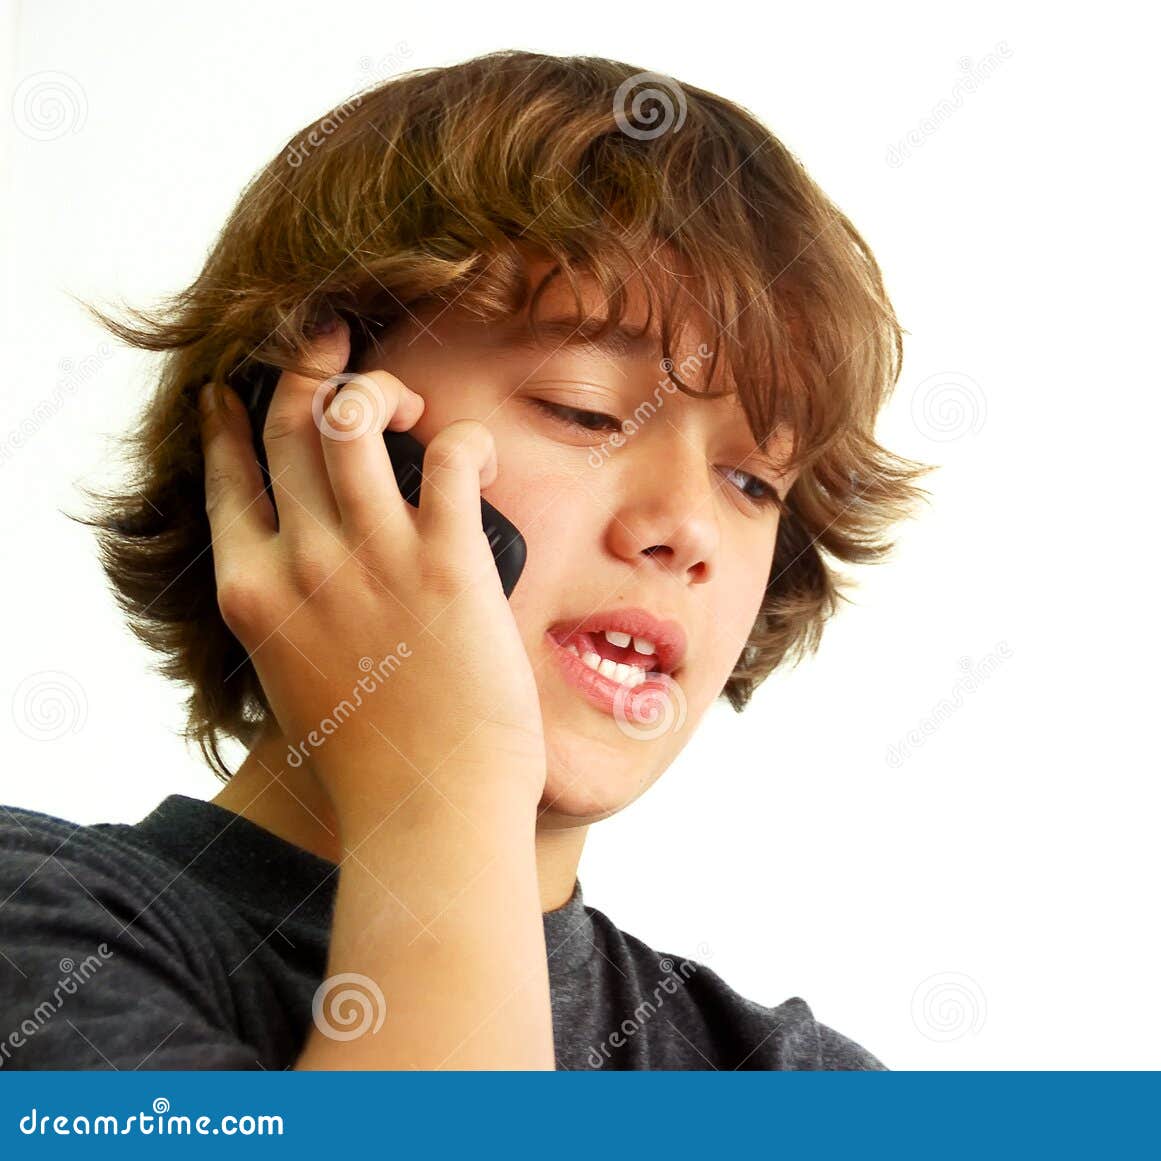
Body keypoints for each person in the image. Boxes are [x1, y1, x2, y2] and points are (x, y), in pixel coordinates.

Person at [0, 50, 930, 1070]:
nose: (690, 527)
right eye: (585, 408)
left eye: (754, 482)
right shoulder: (37, 935)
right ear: (304, 438)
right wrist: (436, 782)